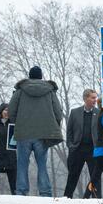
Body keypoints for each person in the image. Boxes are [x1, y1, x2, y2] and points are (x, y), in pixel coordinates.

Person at [9, 66, 63, 197]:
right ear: (41, 76)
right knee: (42, 164)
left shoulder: (20, 91)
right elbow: (58, 112)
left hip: (23, 134)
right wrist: (51, 125)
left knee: (22, 164)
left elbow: (11, 111)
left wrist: (20, 123)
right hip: (43, 134)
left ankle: (21, 191)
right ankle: (45, 192)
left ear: (29, 76)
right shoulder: (50, 91)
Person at [64, 89, 101, 198]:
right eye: (93, 97)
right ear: (85, 98)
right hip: (77, 149)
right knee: (73, 175)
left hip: (93, 150)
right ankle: (66, 197)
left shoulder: (99, 113)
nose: (95, 100)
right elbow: (69, 131)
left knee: (95, 177)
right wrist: (71, 146)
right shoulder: (74, 112)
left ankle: (97, 199)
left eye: (95, 97)